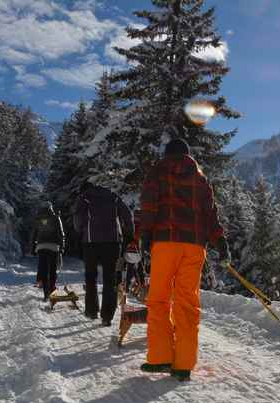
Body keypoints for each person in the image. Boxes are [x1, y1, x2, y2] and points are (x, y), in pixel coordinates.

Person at [138, 138, 230, 381]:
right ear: (188, 155)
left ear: (167, 154)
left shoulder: (157, 173)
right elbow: (211, 213)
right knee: (187, 302)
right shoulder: (199, 179)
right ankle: (183, 364)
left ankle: (160, 358)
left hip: (165, 242)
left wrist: (144, 236)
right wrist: (220, 241)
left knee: (158, 299)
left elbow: (148, 207)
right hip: (194, 245)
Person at [77, 182, 134, 326]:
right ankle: (107, 316)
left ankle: (91, 311)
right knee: (111, 279)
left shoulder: (85, 198)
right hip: (113, 243)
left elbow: (78, 221)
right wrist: (129, 235)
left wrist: (82, 232)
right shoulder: (113, 197)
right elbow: (128, 216)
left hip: (91, 243)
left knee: (91, 277)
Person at [30, 201, 64, 301]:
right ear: (51, 208)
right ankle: (52, 291)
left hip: (41, 247)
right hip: (53, 247)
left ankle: (46, 294)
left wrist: (32, 248)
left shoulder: (38, 219)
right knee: (52, 269)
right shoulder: (56, 217)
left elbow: (33, 235)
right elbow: (61, 234)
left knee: (44, 270)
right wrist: (62, 248)